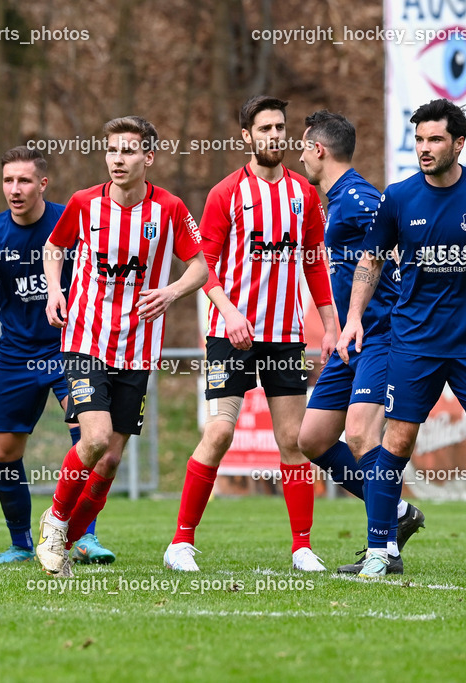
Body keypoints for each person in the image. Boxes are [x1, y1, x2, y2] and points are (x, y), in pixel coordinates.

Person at [337, 98, 466, 579]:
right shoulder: (399, 197)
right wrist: (353, 319)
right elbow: (370, 261)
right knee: (399, 440)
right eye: (419, 139)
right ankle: (380, 551)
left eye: (434, 139)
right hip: (413, 342)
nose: (425, 149)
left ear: (458, 143)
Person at [163, 95, 337, 573]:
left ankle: (302, 547)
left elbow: (314, 263)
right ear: (247, 136)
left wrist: (331, 321)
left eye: (280, 128)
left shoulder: (303, 194)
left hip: (284, 335)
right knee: (219, 432)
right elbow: (204, 267)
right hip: (229, 333)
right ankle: (181, 543)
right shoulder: (225, 194)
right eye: (265, 129)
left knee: (292, 439)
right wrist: (230, 311)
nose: (274, 136)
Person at [36, 116, 208, 578]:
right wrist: (55, 290)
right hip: (86, 339)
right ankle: (53, 522)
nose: (118, 159)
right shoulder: (83, 203)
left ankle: (65, 542)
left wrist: (171, 291)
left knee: (110, 459)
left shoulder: (169, 208)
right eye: (112, 150)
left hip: (138, 348)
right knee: (92, 440)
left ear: (148, 157)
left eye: (129, 151)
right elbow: (55, 248)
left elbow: (199, 267)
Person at [0, 146, 115, 565]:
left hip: (71, 351)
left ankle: (82, 537)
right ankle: (20, 543)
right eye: (7, 181)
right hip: (16, 358)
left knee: (91, 440)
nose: (14, 189)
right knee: (4, 453)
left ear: (43, 183)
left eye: (23, 181)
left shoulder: (71, 221)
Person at [294, 111, 425, 574]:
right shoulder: (336, 201)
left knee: (362, 434)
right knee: (310, 438)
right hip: (354, 338)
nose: (301, 154)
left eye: (304, 146)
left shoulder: (362, 200)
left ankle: (384, 550)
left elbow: (400, 253)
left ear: (319, 150)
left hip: (383, 334)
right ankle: (397, 512)